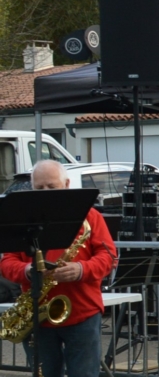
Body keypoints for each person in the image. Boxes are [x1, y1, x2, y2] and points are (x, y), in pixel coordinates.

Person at [0, 160, 118, 377]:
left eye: (51, 187)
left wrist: (81, 269)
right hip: (37, 315)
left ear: (66, 184)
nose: (45, 193)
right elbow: (7, 262)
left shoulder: (90, 216)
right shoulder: (23, 216)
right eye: (40, 188)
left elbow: (108, 257)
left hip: (83, 313)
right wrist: (27, 270)